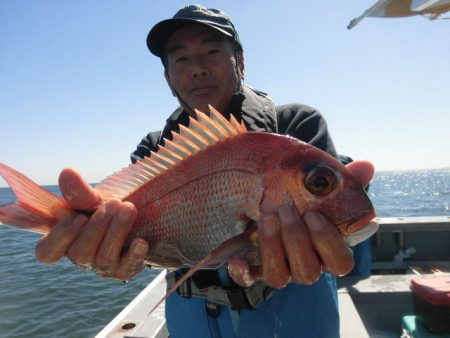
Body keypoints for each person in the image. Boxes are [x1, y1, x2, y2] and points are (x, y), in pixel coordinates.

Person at [35, 5, 374, 338]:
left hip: (297, 312)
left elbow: (334, 225)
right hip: (192, 316)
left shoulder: (296, 124)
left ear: (239, 62)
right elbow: (127, 240)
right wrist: (94, 253)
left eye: (212, 51)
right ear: (168, 77)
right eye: (180, 58)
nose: (197, 68)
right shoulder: (155, 148)